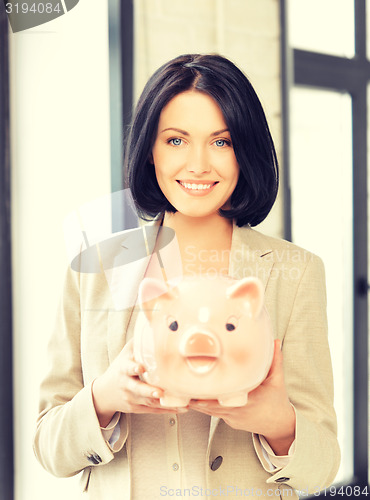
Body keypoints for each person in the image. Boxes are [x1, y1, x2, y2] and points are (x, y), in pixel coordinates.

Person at [33, 54, 340, 499]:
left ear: (245, 151)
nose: (198, 165)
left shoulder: (294, 274)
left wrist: (276, 422)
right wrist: (104, 398)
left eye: (221, 142)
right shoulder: (95, 269)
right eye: (176, 141)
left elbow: (322, 466)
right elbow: (48, 446)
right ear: (150, 149)